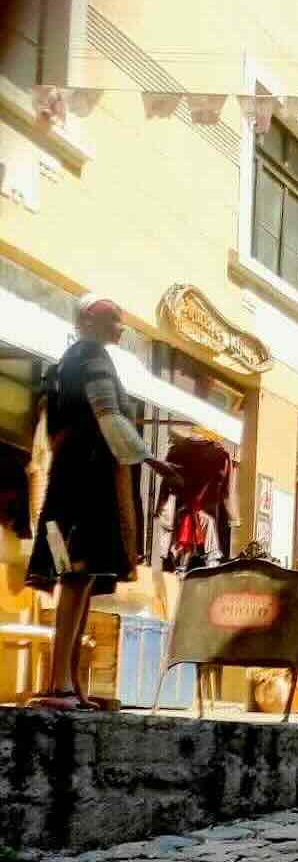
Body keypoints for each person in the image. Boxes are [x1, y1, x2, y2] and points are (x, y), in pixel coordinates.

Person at [25, 295, 175, 710]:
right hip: (85, 484)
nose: (121, 327)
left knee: (76, 580)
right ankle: (59, 686)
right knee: (76, 576)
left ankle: (69, 682)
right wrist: (152, 460)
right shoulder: (92, 359)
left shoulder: (64, 364)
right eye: (115, 318)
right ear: (90, 320)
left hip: (62, 486)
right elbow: (108, 415)